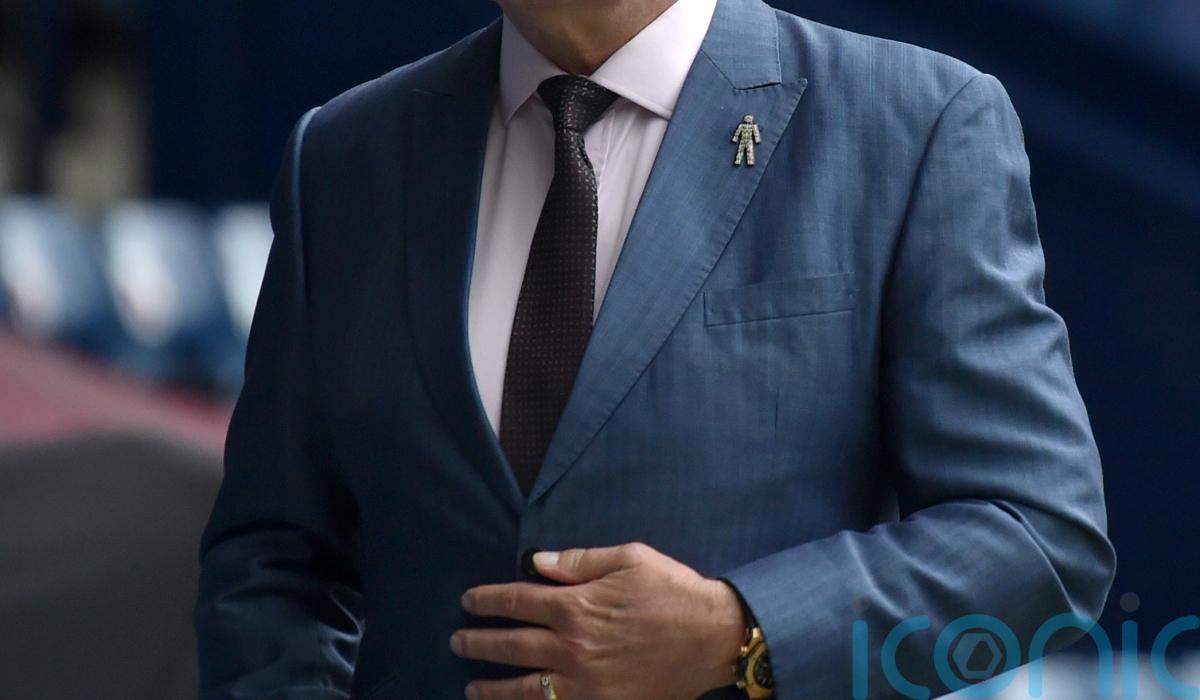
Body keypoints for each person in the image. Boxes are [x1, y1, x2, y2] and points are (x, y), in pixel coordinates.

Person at [195, 0, 1116, 697]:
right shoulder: (345, 154)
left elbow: (1040, 537)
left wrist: (739, 632)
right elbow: (274, 559)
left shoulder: (913, 122)